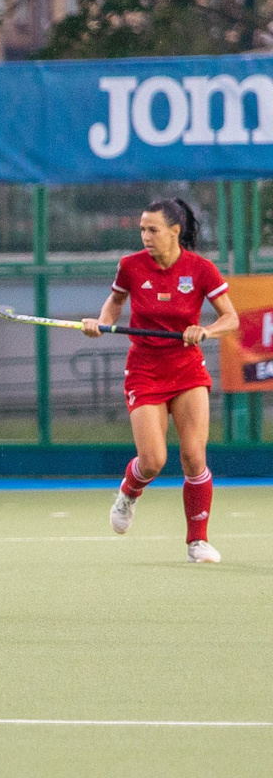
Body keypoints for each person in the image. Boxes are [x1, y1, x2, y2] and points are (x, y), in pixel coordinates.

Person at [84, 197, 238, 563]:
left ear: (175, 231)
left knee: (193, 455)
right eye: (142, 229)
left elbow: (230, 318)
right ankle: (128, 492)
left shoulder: (200, 269)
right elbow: (115, 304)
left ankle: (197, 542)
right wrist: (100, 324)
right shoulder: (131, 267)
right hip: (145, 369)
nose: (145, 236)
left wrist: (205, 330)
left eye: (152, 230)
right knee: (152, 460)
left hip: (186, 368)